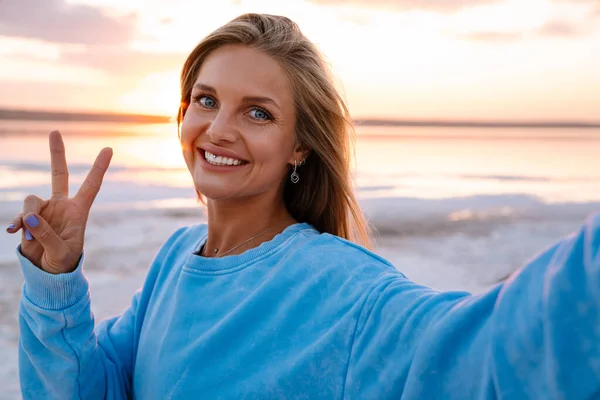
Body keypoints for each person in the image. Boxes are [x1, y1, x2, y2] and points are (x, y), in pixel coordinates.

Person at [7, 13, 600, 400]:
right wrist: (55, 281)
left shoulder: (343, 285)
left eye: (257, 112)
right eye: (206, 100)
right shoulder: (172, 261)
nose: (218, 129)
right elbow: (87, 390)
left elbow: (476, 355)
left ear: (299, 146)